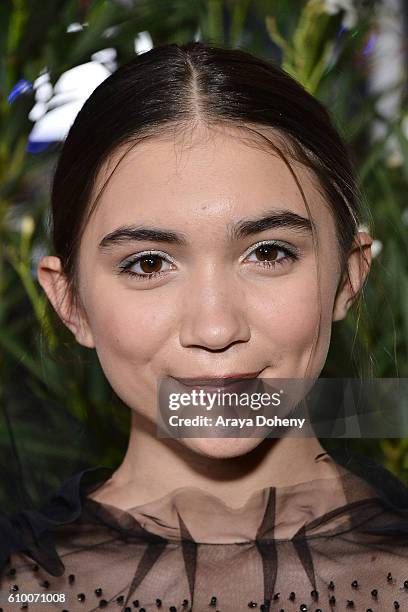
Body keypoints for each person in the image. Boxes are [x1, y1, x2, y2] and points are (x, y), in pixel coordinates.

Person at [1, 41, 408, 612]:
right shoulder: (19, 587)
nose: (215, 328)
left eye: (268, 253)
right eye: (147, 263)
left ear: (348, 276)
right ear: (70, 303)